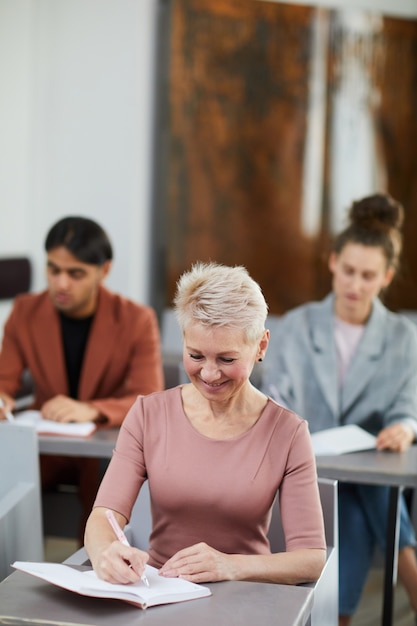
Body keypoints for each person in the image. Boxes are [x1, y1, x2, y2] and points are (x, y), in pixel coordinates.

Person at [84, 261, 326, 587]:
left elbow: (311, 558)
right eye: (196, 356)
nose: (210, 374)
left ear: (261, 346)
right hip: (159, 592)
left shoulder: (289, 433)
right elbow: (104, 515)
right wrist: (105, 554)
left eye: (227, 359)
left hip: (248, 596)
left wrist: (231, 567)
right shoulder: (148, 414)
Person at [262, 193, 417, 625]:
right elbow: (276, 398)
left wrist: (404, 427)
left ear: (386, 276)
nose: (356, 285)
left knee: (362, 492)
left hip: (365, 473)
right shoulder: (296, 325)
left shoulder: (404, 336)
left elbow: (407, 405)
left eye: (369, 275)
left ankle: (336, 618)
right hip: (306, 468)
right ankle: (409, 570)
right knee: (365, 495)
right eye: (348, 271)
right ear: (332, 262)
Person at [0, 216, 164, 539]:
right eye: (53, 270)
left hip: (106, 448)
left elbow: (150, 397)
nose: (61, 283)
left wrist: (92, 409)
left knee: (106, 497)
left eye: (76, 274)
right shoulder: (25, 310)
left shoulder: (136, 320)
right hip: (45, 445)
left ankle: (93, 572)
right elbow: (4, 381)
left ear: (103, 271)